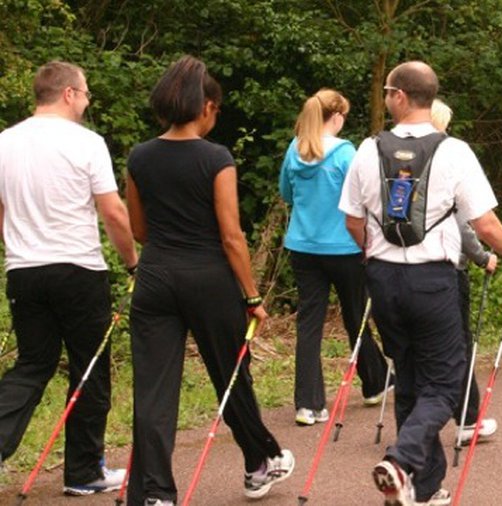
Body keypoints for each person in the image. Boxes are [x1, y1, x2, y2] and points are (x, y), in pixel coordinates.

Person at [340, 61, 502, 506]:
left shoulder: (367, 150)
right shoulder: (454, 151)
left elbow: (352, 220)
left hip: (382, 278)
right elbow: (484, 224)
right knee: (447, 384)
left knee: (409, 376)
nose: (386, 97)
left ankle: (422, 487)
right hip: (432, 281)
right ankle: (402, 460)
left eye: (387, 91)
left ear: (400, 96)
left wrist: (376, 254)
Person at [125, 55, 293, 505]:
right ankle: (259, 463)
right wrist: (252, 296)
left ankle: (155, 493)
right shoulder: (216, 157)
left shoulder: (139, 156)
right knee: (231, 374)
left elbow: (138, 230)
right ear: (206, 107)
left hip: (155, 276)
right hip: (208, 278)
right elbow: (231, 236)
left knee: (153, 391)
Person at [0, 60, 138, 496]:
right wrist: (133, 261)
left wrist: (16, 250)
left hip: (24, 270)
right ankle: (83, 471)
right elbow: (112, 211)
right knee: (89, 368)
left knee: (32, 364)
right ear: (68, 93)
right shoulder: (87, 143)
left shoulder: (5, 142)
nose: (87, 101)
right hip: (78, 269)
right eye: (86, 93)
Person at [279, 88, 390, 426]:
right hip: (344, 248)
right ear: (337, 116)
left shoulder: (295, 149)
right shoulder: (346, 153)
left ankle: (308, 404)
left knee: (309, 323)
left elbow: (286, 193)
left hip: (303, 247)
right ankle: (374, 383)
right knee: (356, 315)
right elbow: (364, 199)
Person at [431, 98, 499, 443]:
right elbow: (467, 224)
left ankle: (415, 422)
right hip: (446, 268)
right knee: (457, 344)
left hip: (402, 267)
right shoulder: (450, 157)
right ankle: (468, 419)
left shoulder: (391, 156)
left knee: (419, 346)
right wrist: (484, 257)